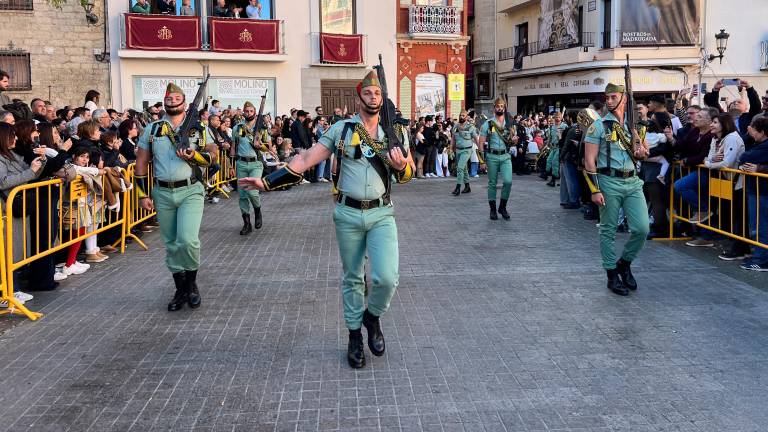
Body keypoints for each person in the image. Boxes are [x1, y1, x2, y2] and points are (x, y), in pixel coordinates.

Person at [238, 70, 415, 369]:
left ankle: (371, 318)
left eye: (377, 94)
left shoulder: (393, 132)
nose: (373, 98)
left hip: (382, 213)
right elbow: (306, 158)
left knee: (386, 278)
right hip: (347, 213)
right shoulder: (342, 130)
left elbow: (407, 173)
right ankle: (354, 336)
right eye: (367, 93)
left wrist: (401, 167)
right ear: (358, 97)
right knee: (352, 277)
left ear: (382, 98)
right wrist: (268, 182)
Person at [135, 82, 216, 312]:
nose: (172, 102)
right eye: (168, 99)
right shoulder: (152, 129)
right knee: (171, 244)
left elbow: (213, 154)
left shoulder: (199, 127)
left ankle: (191, 285)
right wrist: (142, 194)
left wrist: (195, 155)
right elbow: (141, 163)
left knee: (187, 240)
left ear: (185, 102)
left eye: (176, 98)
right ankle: (180, 288)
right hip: (162, 192)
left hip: (191, 189)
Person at [583, 83, 650, 296]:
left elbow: (643, 152)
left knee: (642, 228)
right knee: (608, 230)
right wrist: (595, 190)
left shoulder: (637, 126)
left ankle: (625, 262)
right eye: (607, 98)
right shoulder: (599, 126)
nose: (609, 101)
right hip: (608, 181)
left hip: (632, 182)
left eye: (613, 97)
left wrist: (641, 152)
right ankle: (611, 273)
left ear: (624, 98)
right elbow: (589, 161)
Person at [0, 123, 44, 305]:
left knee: (16, 250)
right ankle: (10, 292)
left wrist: (40, 162)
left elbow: (31, 174)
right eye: (12, 135)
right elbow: (2, 182)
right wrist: (30, 172)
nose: (16, 138)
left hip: (17, 208)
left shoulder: (12, 155)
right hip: (6, 209)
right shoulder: (1, 158)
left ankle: (14, 289)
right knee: (8, 250)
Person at [230, 101, 267, 235]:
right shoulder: (237, 128)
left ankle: (257, 210)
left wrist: (260, 145)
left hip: (255, 163)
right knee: (243, 194)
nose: (249, 114)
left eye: (251, 111)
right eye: (246, 111)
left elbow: (268, 146)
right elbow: (234, 146)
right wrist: (231, 165)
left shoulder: (261, 128)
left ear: (255, 112)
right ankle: (246, 223)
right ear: (243, 112)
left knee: (252, 191)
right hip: (241, 163)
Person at [738, 116, 768, 271]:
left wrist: (759, 168)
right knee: (758, 225)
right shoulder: (759, 144)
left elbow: (744, 156)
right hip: (758, 190)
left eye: (754, 130)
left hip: (762, 191)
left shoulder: (764, 146)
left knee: (760, 225)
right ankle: (760, 255)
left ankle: (762, 259)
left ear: (762, 132)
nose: (751, 133)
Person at [478, 97, 515, 221]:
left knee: (508, 181)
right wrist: (482, 161)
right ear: (494, 108)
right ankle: (493, 209)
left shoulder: (509, 123)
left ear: (504, 108)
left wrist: (515, 140)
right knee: (492, 184)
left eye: (502, 106)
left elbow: (513, 140)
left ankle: (502, 207)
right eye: (498, 106)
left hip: (505, 156)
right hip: (492, 156)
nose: (500, 108)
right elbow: (481, 143)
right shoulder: (488, 124)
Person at [450, 110, 477, 196]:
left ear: (466, 117)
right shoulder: (455, 126)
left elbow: (476, 138)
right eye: (460, 115)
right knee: (464, 169)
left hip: (467, 150)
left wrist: (480, 149)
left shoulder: (471, 127)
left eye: (463, 116)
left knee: (460, 168)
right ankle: (467, 186)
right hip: (458, 150)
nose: (461, 117)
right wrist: (451, 149)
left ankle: (458, 188)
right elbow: (453, 139)